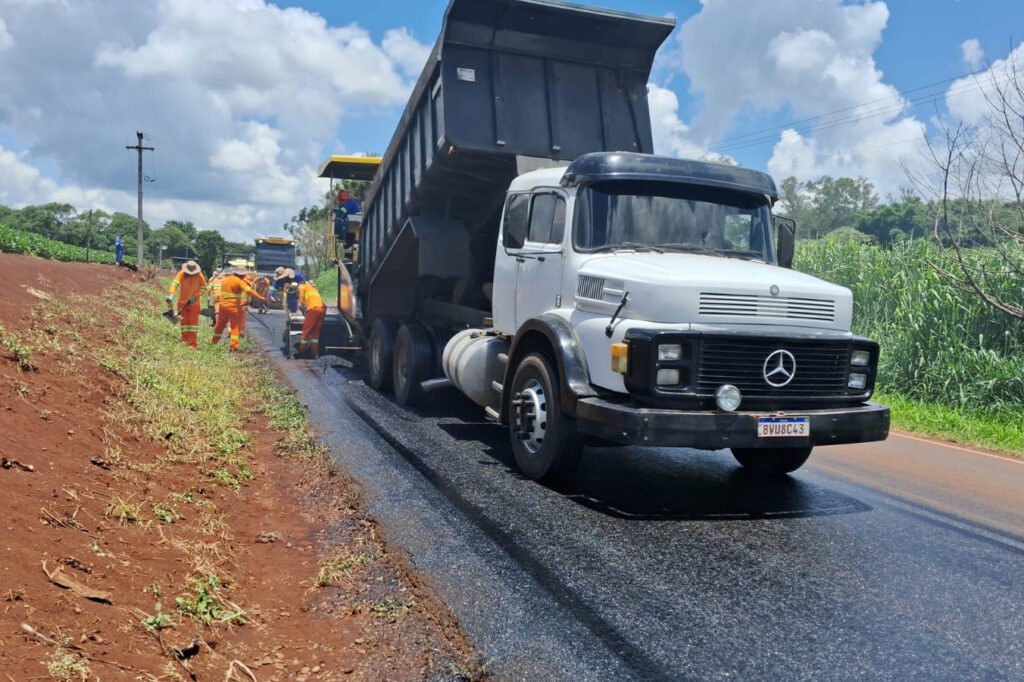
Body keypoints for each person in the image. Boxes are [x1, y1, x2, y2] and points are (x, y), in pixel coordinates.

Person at [211, 267, 266, 351]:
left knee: (220, 325)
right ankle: (233, 346)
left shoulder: (225, 280)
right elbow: (249, 291)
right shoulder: (239, 282)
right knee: (235, 327)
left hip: (223, 306)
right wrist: (260, 297)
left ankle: (213, 342)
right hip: (233, 308)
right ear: (242, 275)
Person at [166, 260, 207, 348]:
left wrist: (196, 296)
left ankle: (192, 344)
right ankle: (184, 340)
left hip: (194, 304)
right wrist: (171, 293)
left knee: (193, 324)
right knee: (184, 323)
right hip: (182, 303)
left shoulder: (199, 275)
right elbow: (175, 284)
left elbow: (204, 288)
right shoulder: (181, 273)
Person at [296, 279, 326, 359]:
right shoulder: (313, 289)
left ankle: (302, 351)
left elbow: (301, 297)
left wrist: (300, 304)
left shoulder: (302, 286)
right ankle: (314, 353)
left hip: (313, 310)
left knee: (306, 331)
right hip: (322, 309)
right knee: (315, 333)